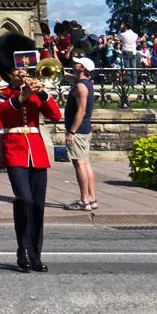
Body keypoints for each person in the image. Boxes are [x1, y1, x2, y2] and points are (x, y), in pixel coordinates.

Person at [0, 32, 62, 273]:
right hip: (14, 151)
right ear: (9, 70)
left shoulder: (37, 89)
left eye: (24, 69)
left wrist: (41, 93)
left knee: (38, 204)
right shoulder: (1, 95)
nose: (23, 72)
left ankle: (36, 253)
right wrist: (23, 95)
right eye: (18, 69)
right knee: (24, 199)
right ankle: (23, 247)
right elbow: (2, 114)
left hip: (36, 151)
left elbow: (55, 115)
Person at [64, 54, 97, 212]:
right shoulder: (85, 83)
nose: (74, 64)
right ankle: (92, 198)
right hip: (85, 129)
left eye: (77, 63)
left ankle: (84, 200)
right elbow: (70, 78)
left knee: (79, 164)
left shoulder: (80, 87)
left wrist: (72, 131)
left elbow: (81, 111)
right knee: (85, 162)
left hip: (78, 130)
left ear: (82, 68)